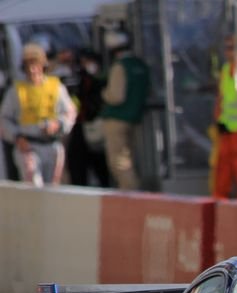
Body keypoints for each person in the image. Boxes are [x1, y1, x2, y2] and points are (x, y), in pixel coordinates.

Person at [0, 44, 76, 187]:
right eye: (28, 65)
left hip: (51, 144)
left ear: (42, 65)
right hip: (28, 146)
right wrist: (16, 136)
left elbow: (69, 113)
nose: (32, 69)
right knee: (34, 185)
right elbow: (4, 119)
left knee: (53, 187)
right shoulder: (16, 91)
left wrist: (59, 124)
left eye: (35, 64)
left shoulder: (56, 87)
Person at [100, 33, 150, 190]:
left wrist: (103, 93)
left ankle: (130, 192)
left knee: (119, 160)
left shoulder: (120, 66)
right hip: (134, 116)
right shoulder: (140, 65)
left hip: (117, 118)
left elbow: (116, 96)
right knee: (129, 158)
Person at [213, 36, 237, 199]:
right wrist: (218, 117)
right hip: (226, 127)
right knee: (223, 166)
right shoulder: (226, 69)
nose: (228, 52)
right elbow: (222, 96)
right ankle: (219, 198)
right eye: (227, 48)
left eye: (232, 48)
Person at [67, 49, 110, 187]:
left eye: (89, 61)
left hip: (99, 126)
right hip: (80, 126)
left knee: (101, 165)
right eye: (83, 62)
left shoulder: (103, 78)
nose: (86, 65)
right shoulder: (78, 79)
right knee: (77, 164)